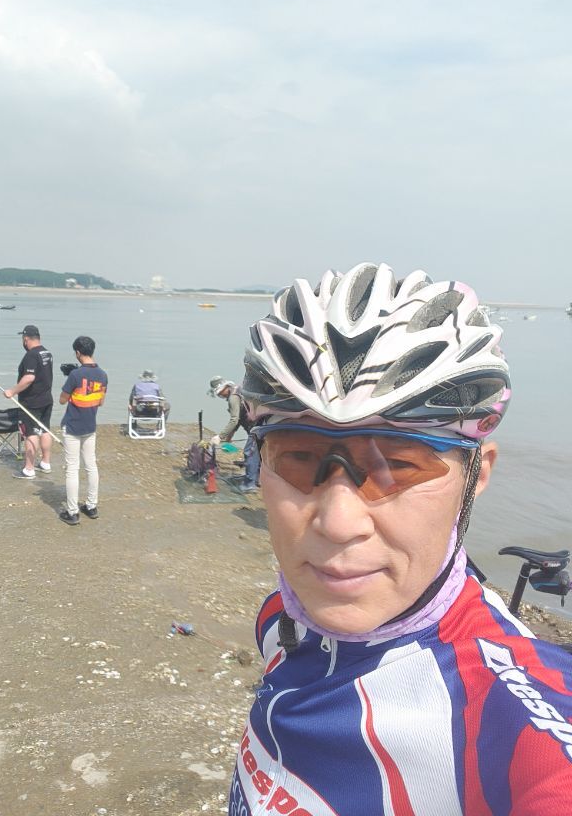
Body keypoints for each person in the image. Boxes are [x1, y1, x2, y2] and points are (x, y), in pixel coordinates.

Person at [229, 261, 572, 816]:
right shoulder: (283, 614)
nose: (339, 523)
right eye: (299, 458)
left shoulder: (509, 721)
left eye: (399, 466)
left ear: (476, 475)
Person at [58, 335, 108, 526]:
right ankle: (92, 506)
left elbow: (62, 400)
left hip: (72, 426)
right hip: (90, 426)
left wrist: (72, 381)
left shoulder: (75, 375)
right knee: (91, 465)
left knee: (72, 468)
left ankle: (72, 512)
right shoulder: (103, 375)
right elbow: (100, 402)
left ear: (78, 353)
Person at [4, 324, 53, 479]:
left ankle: (29, 469)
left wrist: (12, 391)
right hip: (46, 399)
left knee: (31, 434)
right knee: (45, 430)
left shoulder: (31, 355)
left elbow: (29, 378)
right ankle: (45, 463)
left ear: (25, 339)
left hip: (32, 402)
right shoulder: (47, 353)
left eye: (22, 339)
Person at [208, 376, 259, 492]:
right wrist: (230, 436)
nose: (220, 396)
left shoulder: (233, 398)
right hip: (259, 426)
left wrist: (220, 436)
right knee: (257, 453)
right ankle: (257, 478)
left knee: (250, 453)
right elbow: (239, 418)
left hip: (256, 428)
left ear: (225, 387)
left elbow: (234, 420)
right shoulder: (237, 391)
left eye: (220, 393)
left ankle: (250, 485)